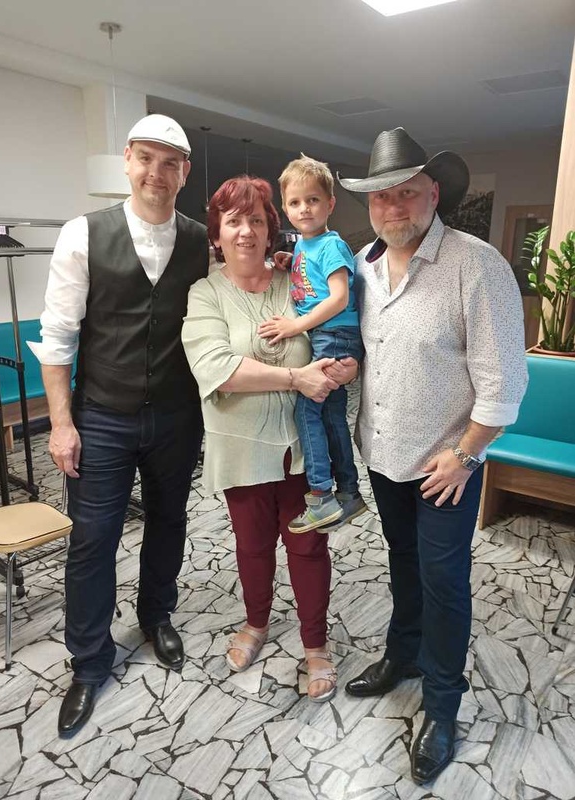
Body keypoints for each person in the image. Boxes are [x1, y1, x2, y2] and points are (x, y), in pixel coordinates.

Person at [339, 128, 528, 784]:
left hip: (446, 466)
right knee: (403, 562)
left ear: (434, 195)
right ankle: (404, 655)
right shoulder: (362, 267)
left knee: (443, 581)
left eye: (407, 193)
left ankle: (442, 705)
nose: (393, 207)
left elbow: (505, 381)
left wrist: (466, 456)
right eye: (381, 197)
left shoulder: (476, 265)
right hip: (384, 453)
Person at [30, 114, 208, 736]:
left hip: (177, 414)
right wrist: (60, 424)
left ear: (184, 173)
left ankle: (156, 615)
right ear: (127, 161)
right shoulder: (83, 234)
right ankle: (89, 661)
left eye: (170, 163)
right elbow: (57, 337)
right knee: (92, 539)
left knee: (169, 520)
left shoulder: (200, 241)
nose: (157, 173)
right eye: (146, 159)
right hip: (101, 416)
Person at [182, 175, 356, 702]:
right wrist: (296, 378)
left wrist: (346, 366)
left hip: (303, 450)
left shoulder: (294, 280)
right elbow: (216, 368)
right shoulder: (205, 293)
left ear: (270, 229)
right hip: (241, 447)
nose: (245, 231)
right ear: (217, 232)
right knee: (253, 546)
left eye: (256, 220)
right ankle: (256, 621)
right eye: (233, 221)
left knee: (308, 548)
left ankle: (315, 644)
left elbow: (337, 327)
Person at [258, 155, 366, 534]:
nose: (304, 208)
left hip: (333, 335)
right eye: (295, 202)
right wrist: (292, 261)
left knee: (306, 412)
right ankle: (349, 492)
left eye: (313, 200)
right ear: (285, 209)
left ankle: (321, 495)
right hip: (329, 335)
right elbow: (313, 279)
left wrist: (294, 326)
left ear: (330, 204)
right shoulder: (307, 245)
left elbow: (338, 297)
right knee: (332, 416)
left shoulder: (332, 246)